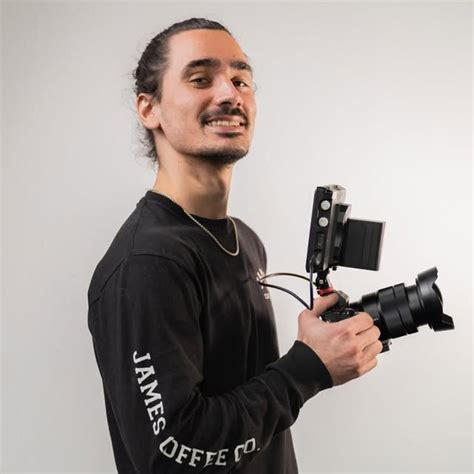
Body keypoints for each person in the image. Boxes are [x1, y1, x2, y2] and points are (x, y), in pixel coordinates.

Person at [87, 17, 382, 474]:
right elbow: (173, 454)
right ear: (149, 108)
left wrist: (321, 343)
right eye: (200, 79)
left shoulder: (244, 241)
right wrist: (307, 368)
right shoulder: (146, 264)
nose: (230, 93)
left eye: (241, 80)